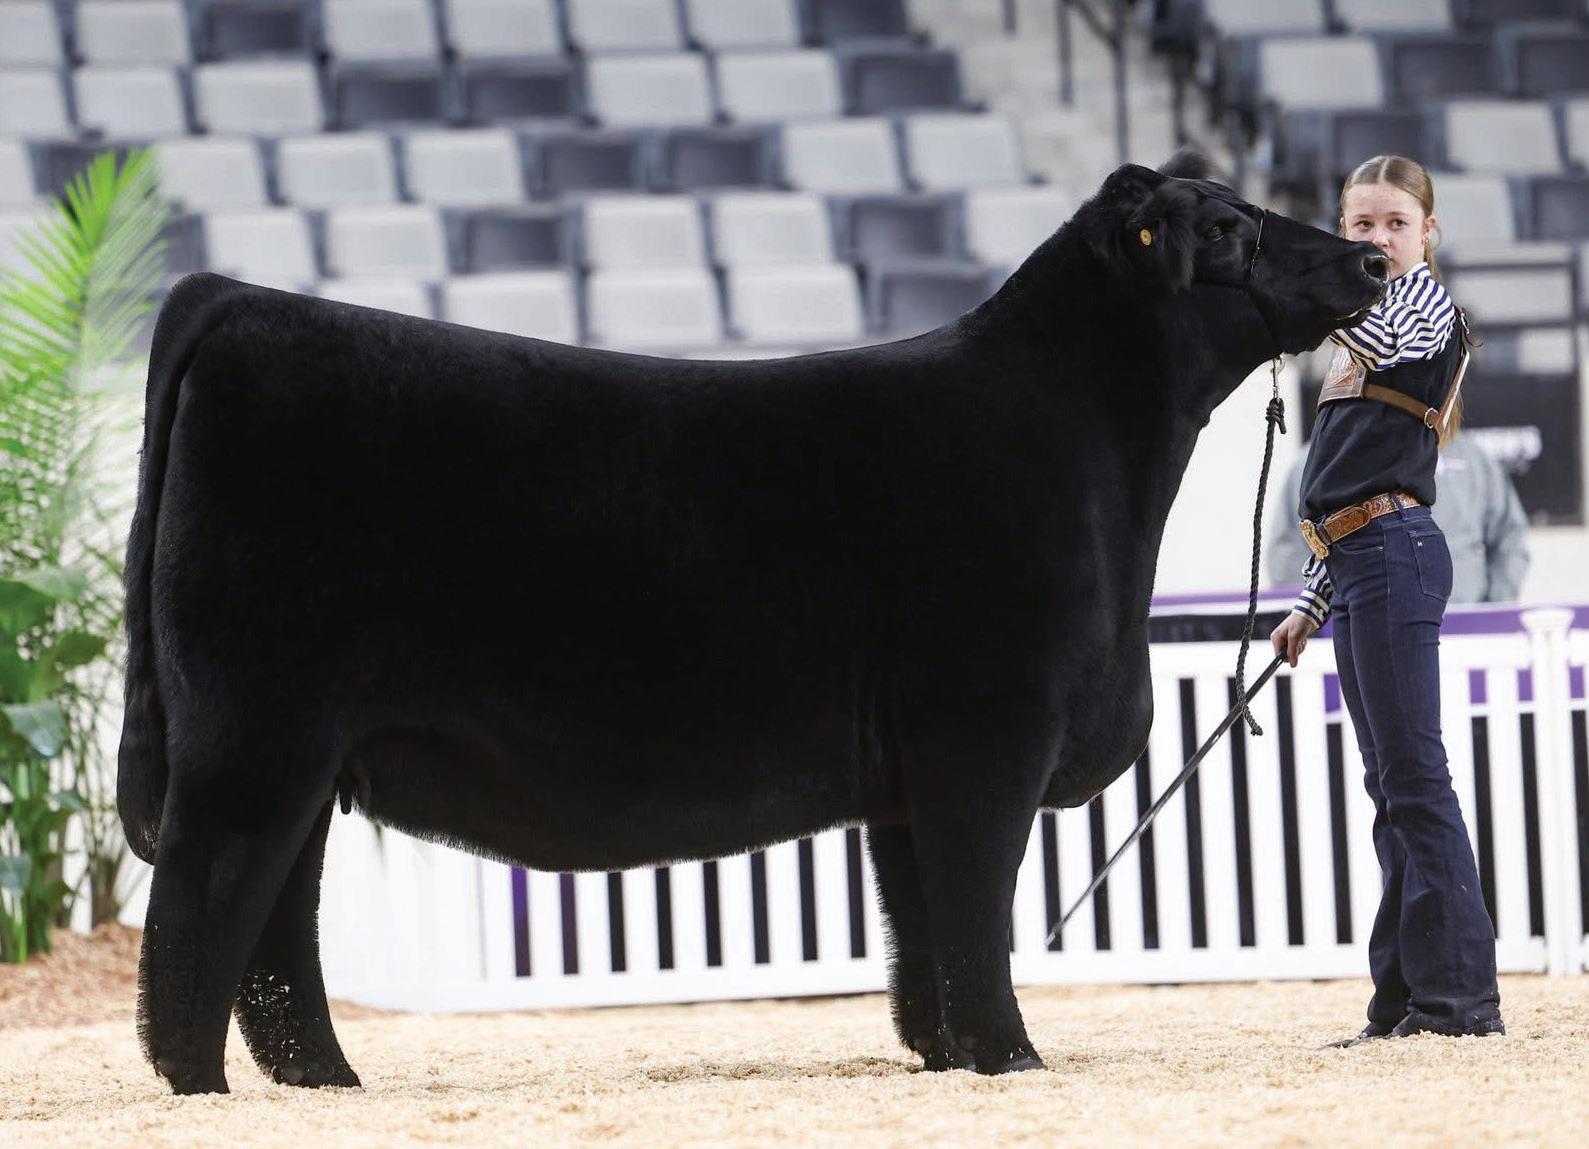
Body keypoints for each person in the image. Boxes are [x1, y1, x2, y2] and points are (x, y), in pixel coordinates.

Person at [1269, 155, 1505, 1045]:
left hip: (1393, 553)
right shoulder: (1356, 342)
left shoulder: (1417, 307)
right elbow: (1350, 481)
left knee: (1412, 780)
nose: (1377, 239)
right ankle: (1404, 1001)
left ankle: (1460, 1001)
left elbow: (1375, 486)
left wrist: (1294, 290)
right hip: (1362, 555)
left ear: (1426, 233)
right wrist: (1310, 600)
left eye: (1394, 224)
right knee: (1392, 786)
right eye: (1360, 226)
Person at [1266, 434, 1530, 604]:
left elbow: (1511, 536)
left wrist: (1493, 608)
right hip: (1360, 631)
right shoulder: (1318, 461)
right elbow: (1288, 551)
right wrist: (1317, 617)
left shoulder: (1474, 460)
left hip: (1464, 628)